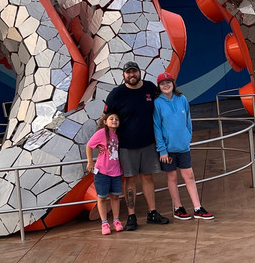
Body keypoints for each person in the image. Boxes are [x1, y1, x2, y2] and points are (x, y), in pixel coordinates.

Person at [103, 61, 170, 230]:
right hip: (126, 145)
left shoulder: (149, 88)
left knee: (148, 177)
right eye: (128, 72)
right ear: (123, 75)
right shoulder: (117, 94)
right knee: (130, 180)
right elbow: (105, 119)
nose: (131, 75)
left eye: (134, 72)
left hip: (148, 143)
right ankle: (131, 216)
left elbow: (164, 103)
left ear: (139, 72)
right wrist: (103, 140)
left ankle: (152, 212)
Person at [153, 71, 213, 220]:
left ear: (173, 84)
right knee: (172, 177)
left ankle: (197, 207)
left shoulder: (182, 99)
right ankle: (177, 207)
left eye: (168, 82)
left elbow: (188, 119)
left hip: (183, 147)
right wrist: (162, 150)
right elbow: (157, 127)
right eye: (162, 83)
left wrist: (188, 136)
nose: (166, 85)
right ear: (159, 86)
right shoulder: (157, 103)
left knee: (189, 175)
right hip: (168, 150)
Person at [85, 112, 124, 236]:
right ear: (105, 122)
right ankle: (104, 222)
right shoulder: (101, 133)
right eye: (111, 119)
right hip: (102, 171)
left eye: (116, 119)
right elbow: (89, 145)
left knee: (115, 196)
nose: (114, 121)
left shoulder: (118, 135)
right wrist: (90, 162)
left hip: (116, 171)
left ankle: (116, 220)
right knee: (101, 197)